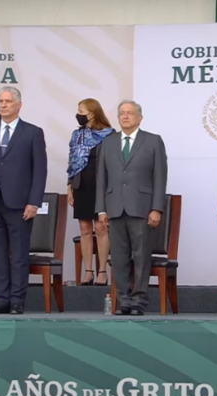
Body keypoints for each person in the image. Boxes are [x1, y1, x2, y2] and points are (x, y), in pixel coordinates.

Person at [0, 86, 48, 315]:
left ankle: (16, 300)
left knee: (19, 254)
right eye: (1, 101)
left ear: (19, 105)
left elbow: (39, 171)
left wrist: (34, 202)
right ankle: (1, 299)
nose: (3, 105)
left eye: (8, 101)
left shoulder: (33, 132)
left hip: (20, 204)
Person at [96, 100, 168, 316]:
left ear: (140, 117)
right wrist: (101, 209)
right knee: (119, 257)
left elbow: (160, 177)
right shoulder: (108, 142)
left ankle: (138, 302)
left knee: (141, 256)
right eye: (121, 113)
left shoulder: (153, 141)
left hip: (142, 208)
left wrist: (157, 208)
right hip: (115, 208)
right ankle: (123, 301)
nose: (125, 116)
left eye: (130, 113)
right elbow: (102, 178)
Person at [67, 98, 114, 285]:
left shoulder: (109, 135)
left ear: (93, 113)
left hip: (101, 187)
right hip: (81, 186)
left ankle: (102, 271)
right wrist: (69, 186)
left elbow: (113, 165)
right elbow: (72, 162)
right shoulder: (76, 134)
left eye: (82, 111)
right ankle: (88, 272)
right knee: (85, 229)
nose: (78, 115)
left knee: (101, 228)